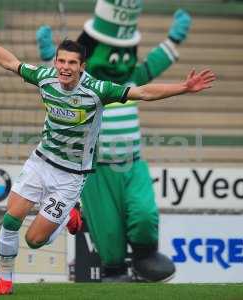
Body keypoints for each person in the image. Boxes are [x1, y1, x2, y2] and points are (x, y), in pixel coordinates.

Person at [0, 14, 215, 296]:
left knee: (35, 240)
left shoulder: (97, 90)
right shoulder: (45, 78)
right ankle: (4, 283)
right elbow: (9, 62)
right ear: (55, 62)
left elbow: (143, 92)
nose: (65, 68)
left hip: (70, 176)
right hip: (40, 163)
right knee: (11, 219)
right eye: (61, 61)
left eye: (71, 63)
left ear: (82, 67)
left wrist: (184, 88)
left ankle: (68, 215)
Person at [36, 0, 192, 282]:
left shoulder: (132, 79)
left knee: (144, 214)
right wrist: (50, 54)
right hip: (97, 170)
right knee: (107, 229)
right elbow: (63, 78)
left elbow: (154, 65)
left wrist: (174, 39)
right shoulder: (89, 85)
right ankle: (114, 270)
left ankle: (145, 255)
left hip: (132, 164)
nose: (117, 61)